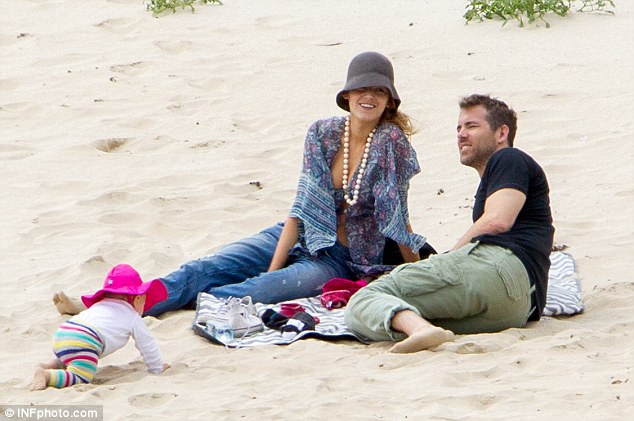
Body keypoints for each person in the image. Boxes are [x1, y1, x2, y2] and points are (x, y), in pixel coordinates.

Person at [54, 51, 432, 319]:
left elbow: (397, 219)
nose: (369, 96)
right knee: (204, 268)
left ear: (389, 101)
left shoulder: (392, 145)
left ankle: (132, 310)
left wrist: (415, 276)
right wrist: (275, 264)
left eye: (379, 91)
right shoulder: (323, 133)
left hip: (342, 258)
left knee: (247, 293)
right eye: (362, 88)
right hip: (298, 235)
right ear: (347, 95)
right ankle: (105, 306)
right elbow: (301, 206)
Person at [344, 94, 555, 354]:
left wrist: (448, 257)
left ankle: (420, 330)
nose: (461, 134)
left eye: (471, 126)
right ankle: (422, 327)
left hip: (501, 269)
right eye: (459, 128)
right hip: (518, 309)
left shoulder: (509, 159)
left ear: (502, 133)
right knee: (377, 318)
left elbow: (498, 220)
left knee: (365, 298)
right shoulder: (497, 176)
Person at [32, 264, 169, 390]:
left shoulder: (100, 305)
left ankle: (48, 366)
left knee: (71, 358)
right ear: (137, 298)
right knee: (81, 376)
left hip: (63, 333)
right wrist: (156, 368)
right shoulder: (132, 316)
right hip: (86, 339)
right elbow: (147, 344)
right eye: (144, 300)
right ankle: (47, 375)